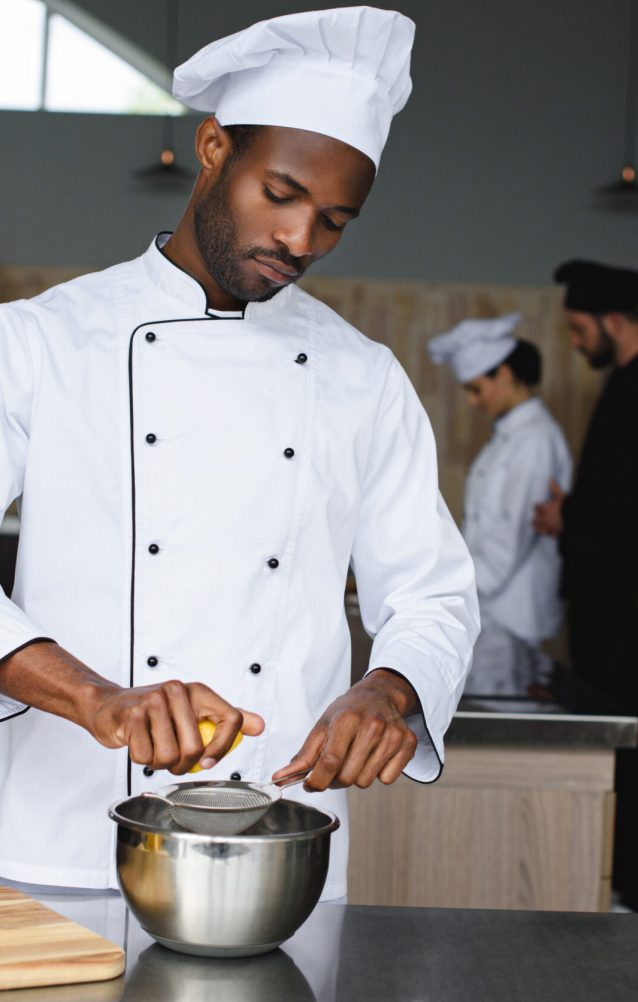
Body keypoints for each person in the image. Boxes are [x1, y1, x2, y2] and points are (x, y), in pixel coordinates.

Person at [0, 7, 478, 902]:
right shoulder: (39, 342)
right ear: (215, 148)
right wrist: (98, 698)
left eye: (335, 220)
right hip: (61, 841)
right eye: (284, 194)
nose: (302, 242)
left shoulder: (361, 376)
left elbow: (431, 591)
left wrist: (391, 687)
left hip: (275, 849)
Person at [533, 258, 638, 909]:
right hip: (610, 609)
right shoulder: (623, 384)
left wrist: (565, 515)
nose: (574, 342)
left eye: (578, 328)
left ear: (611, 320)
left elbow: (624, 503)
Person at [428, 314, 571, 692]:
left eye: (476, 389)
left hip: (509, 617)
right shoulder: (510, 436)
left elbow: (507, 543)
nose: (473, 402)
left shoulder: (534, 440)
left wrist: (446, 586)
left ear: (504, 374)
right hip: (492, 610)